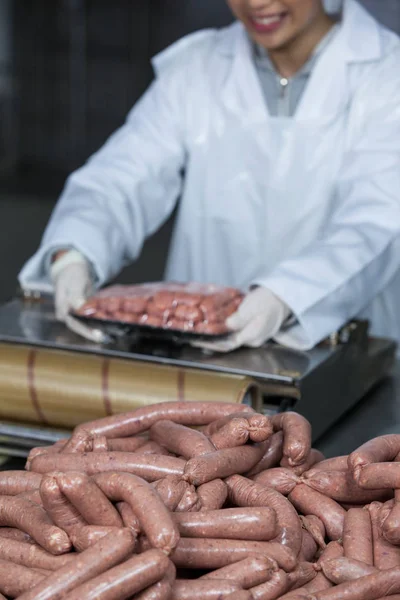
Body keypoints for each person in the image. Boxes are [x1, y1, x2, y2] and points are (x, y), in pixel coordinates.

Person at [19, 0, 400, 353]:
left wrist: (288, 295)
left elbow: (378, 218)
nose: (255, 2)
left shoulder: (387, 73)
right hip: (194, 348)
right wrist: (74, 253)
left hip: (339, 353)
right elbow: (123, 175)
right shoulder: (198, 66)